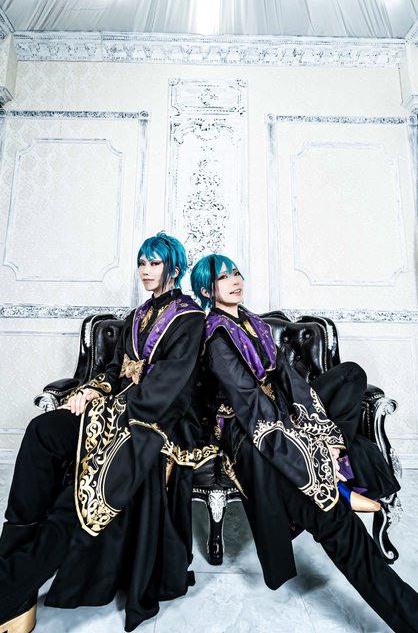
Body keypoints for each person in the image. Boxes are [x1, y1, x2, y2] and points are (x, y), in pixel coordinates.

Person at [190, 253, 418, 633]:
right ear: (206, 289)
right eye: (223, 277)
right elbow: (252, 408)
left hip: (280, 407)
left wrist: (325, 436)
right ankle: (408, 613)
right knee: (336, 521)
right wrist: (308, 455)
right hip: (247, 429)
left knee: (350, 375)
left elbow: (289, 379)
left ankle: (338, 459)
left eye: (236, 273)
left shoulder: (252, 322)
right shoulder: (216, 337)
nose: (235, 280)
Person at [0, 232, 214, 633]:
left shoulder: (190, 318)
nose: (145, 271)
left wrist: (115, 410)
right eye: (142, 263)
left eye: (154, 263)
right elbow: (115, 371)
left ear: (174, 267)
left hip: (155, 423)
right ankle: (10, 556)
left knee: (90, 486)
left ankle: (10, 588)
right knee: (43, 430)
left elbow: (172, 387)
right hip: (112, 410)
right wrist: (90, 391)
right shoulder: (136, 316)